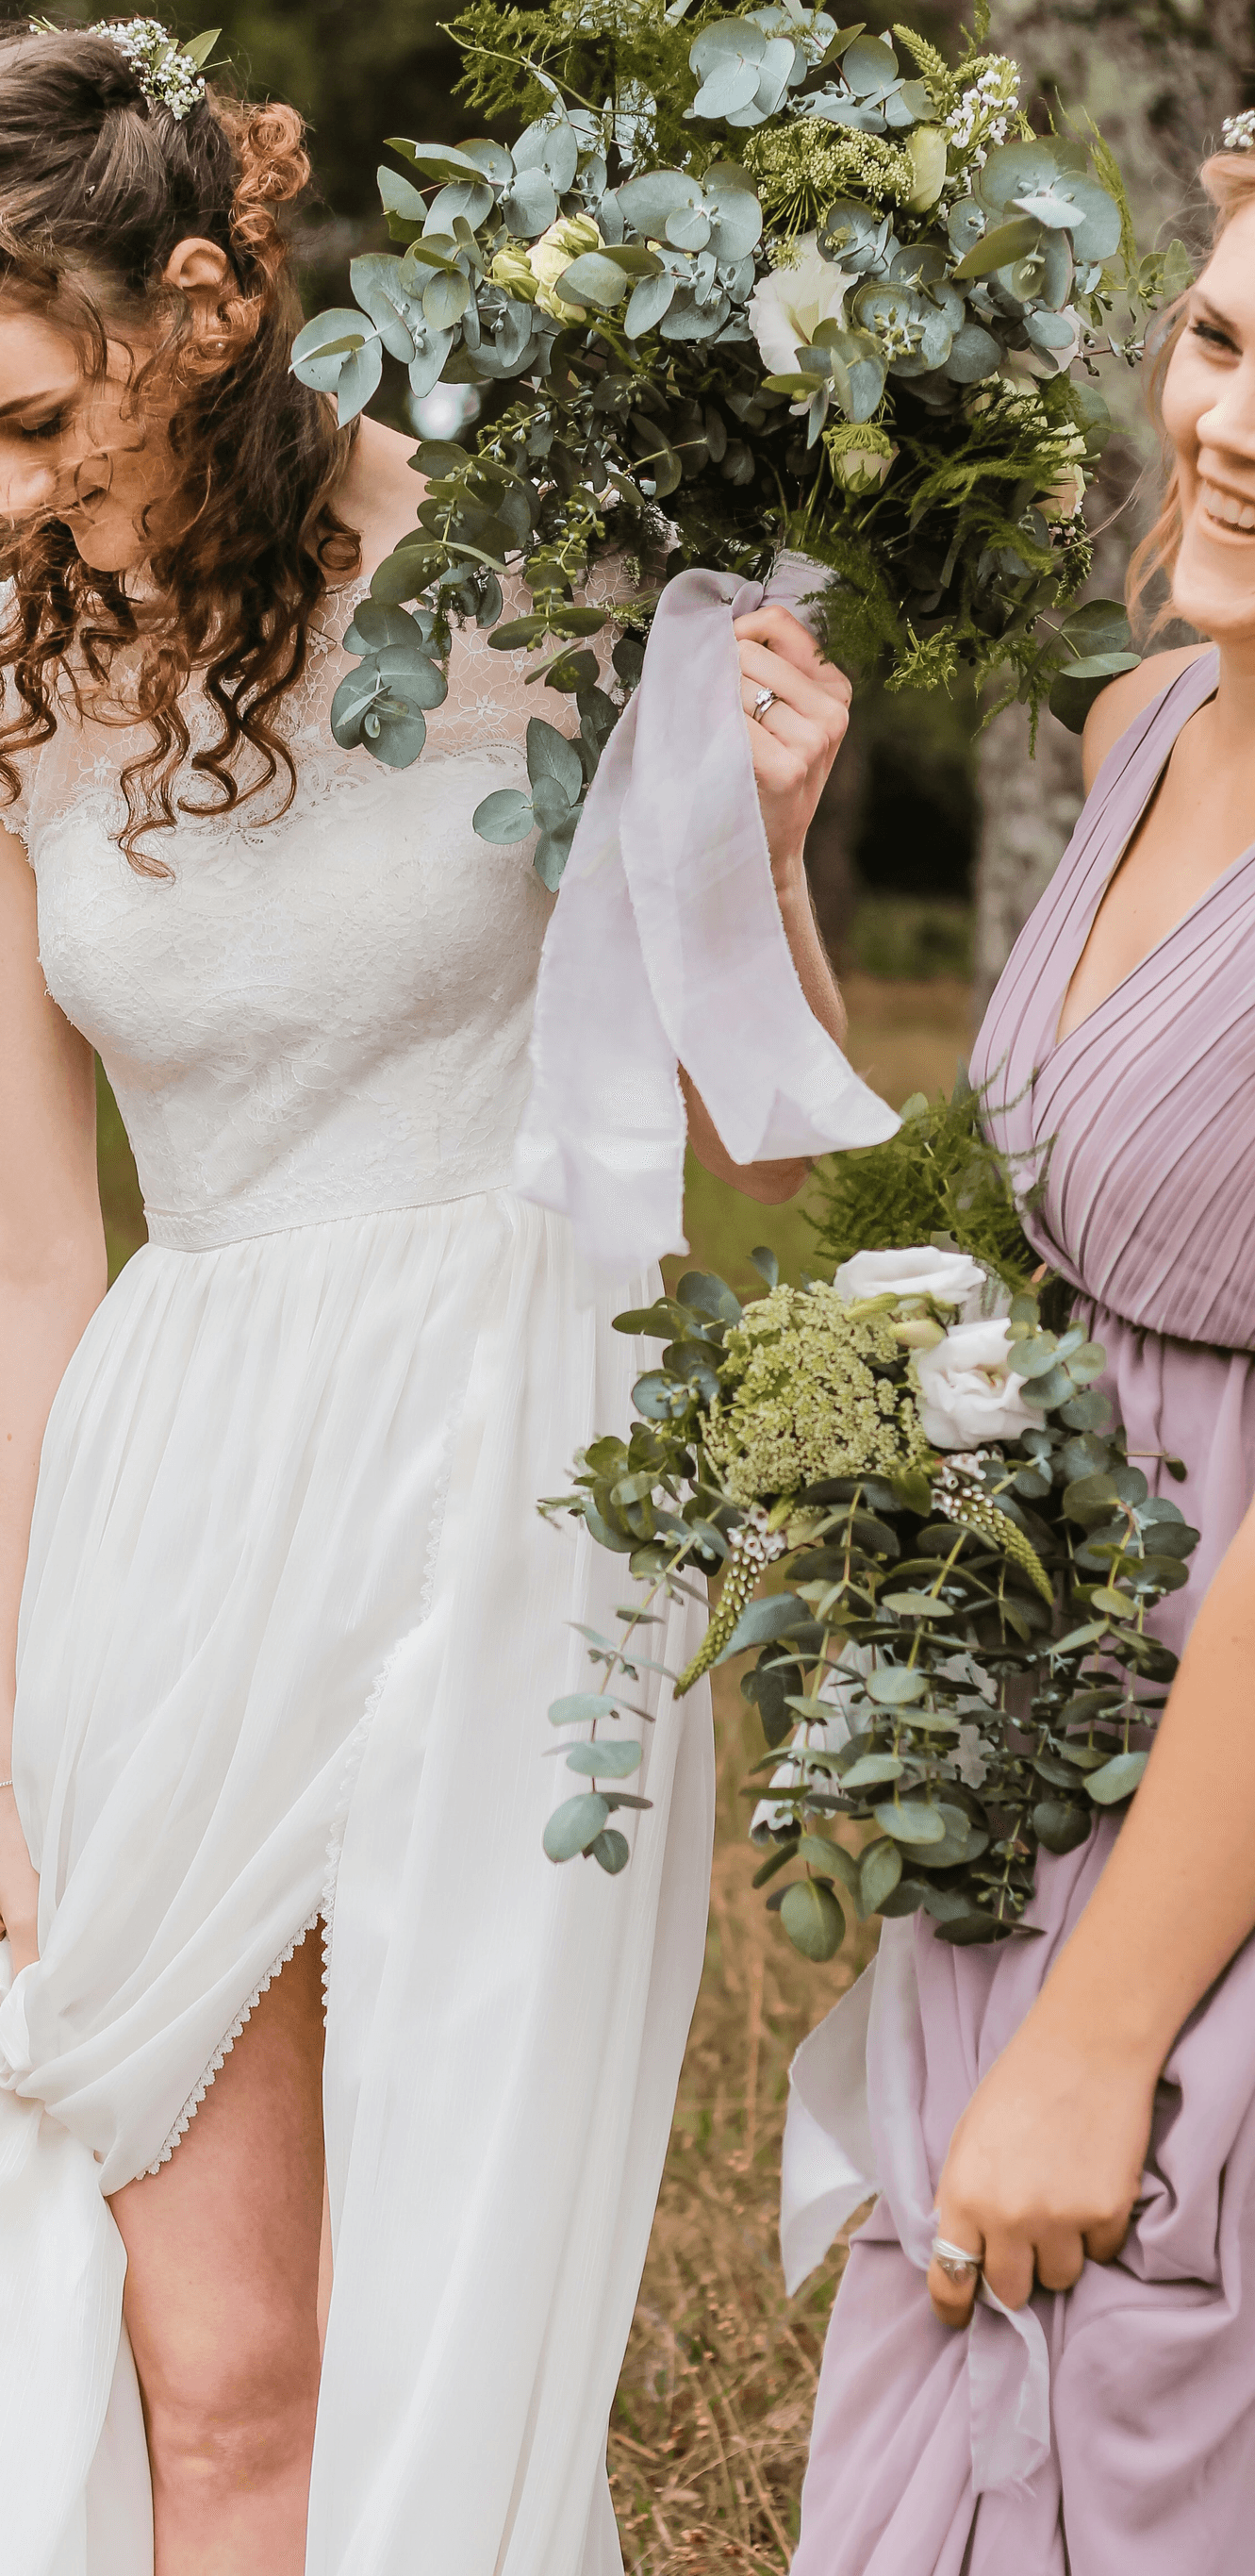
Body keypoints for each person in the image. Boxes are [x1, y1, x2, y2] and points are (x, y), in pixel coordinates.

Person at [0, 24, 856, 2574]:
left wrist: (775, 831)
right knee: (220, 2342)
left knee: (462, 2303)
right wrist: (19, 1772)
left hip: (521, 1464)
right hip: (187, 1467)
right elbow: (36, 1235)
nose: (12, 491)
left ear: (200, 304)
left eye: (45, 416)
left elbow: (746, 1130)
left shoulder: (551, 571)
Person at [790, 134, 1255, 2576]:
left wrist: (1101, 2038)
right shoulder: (1149, 732)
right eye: (1223, 337)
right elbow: (993, 1225)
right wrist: (777, 865)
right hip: (1065, 1738)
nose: (1238, 425)